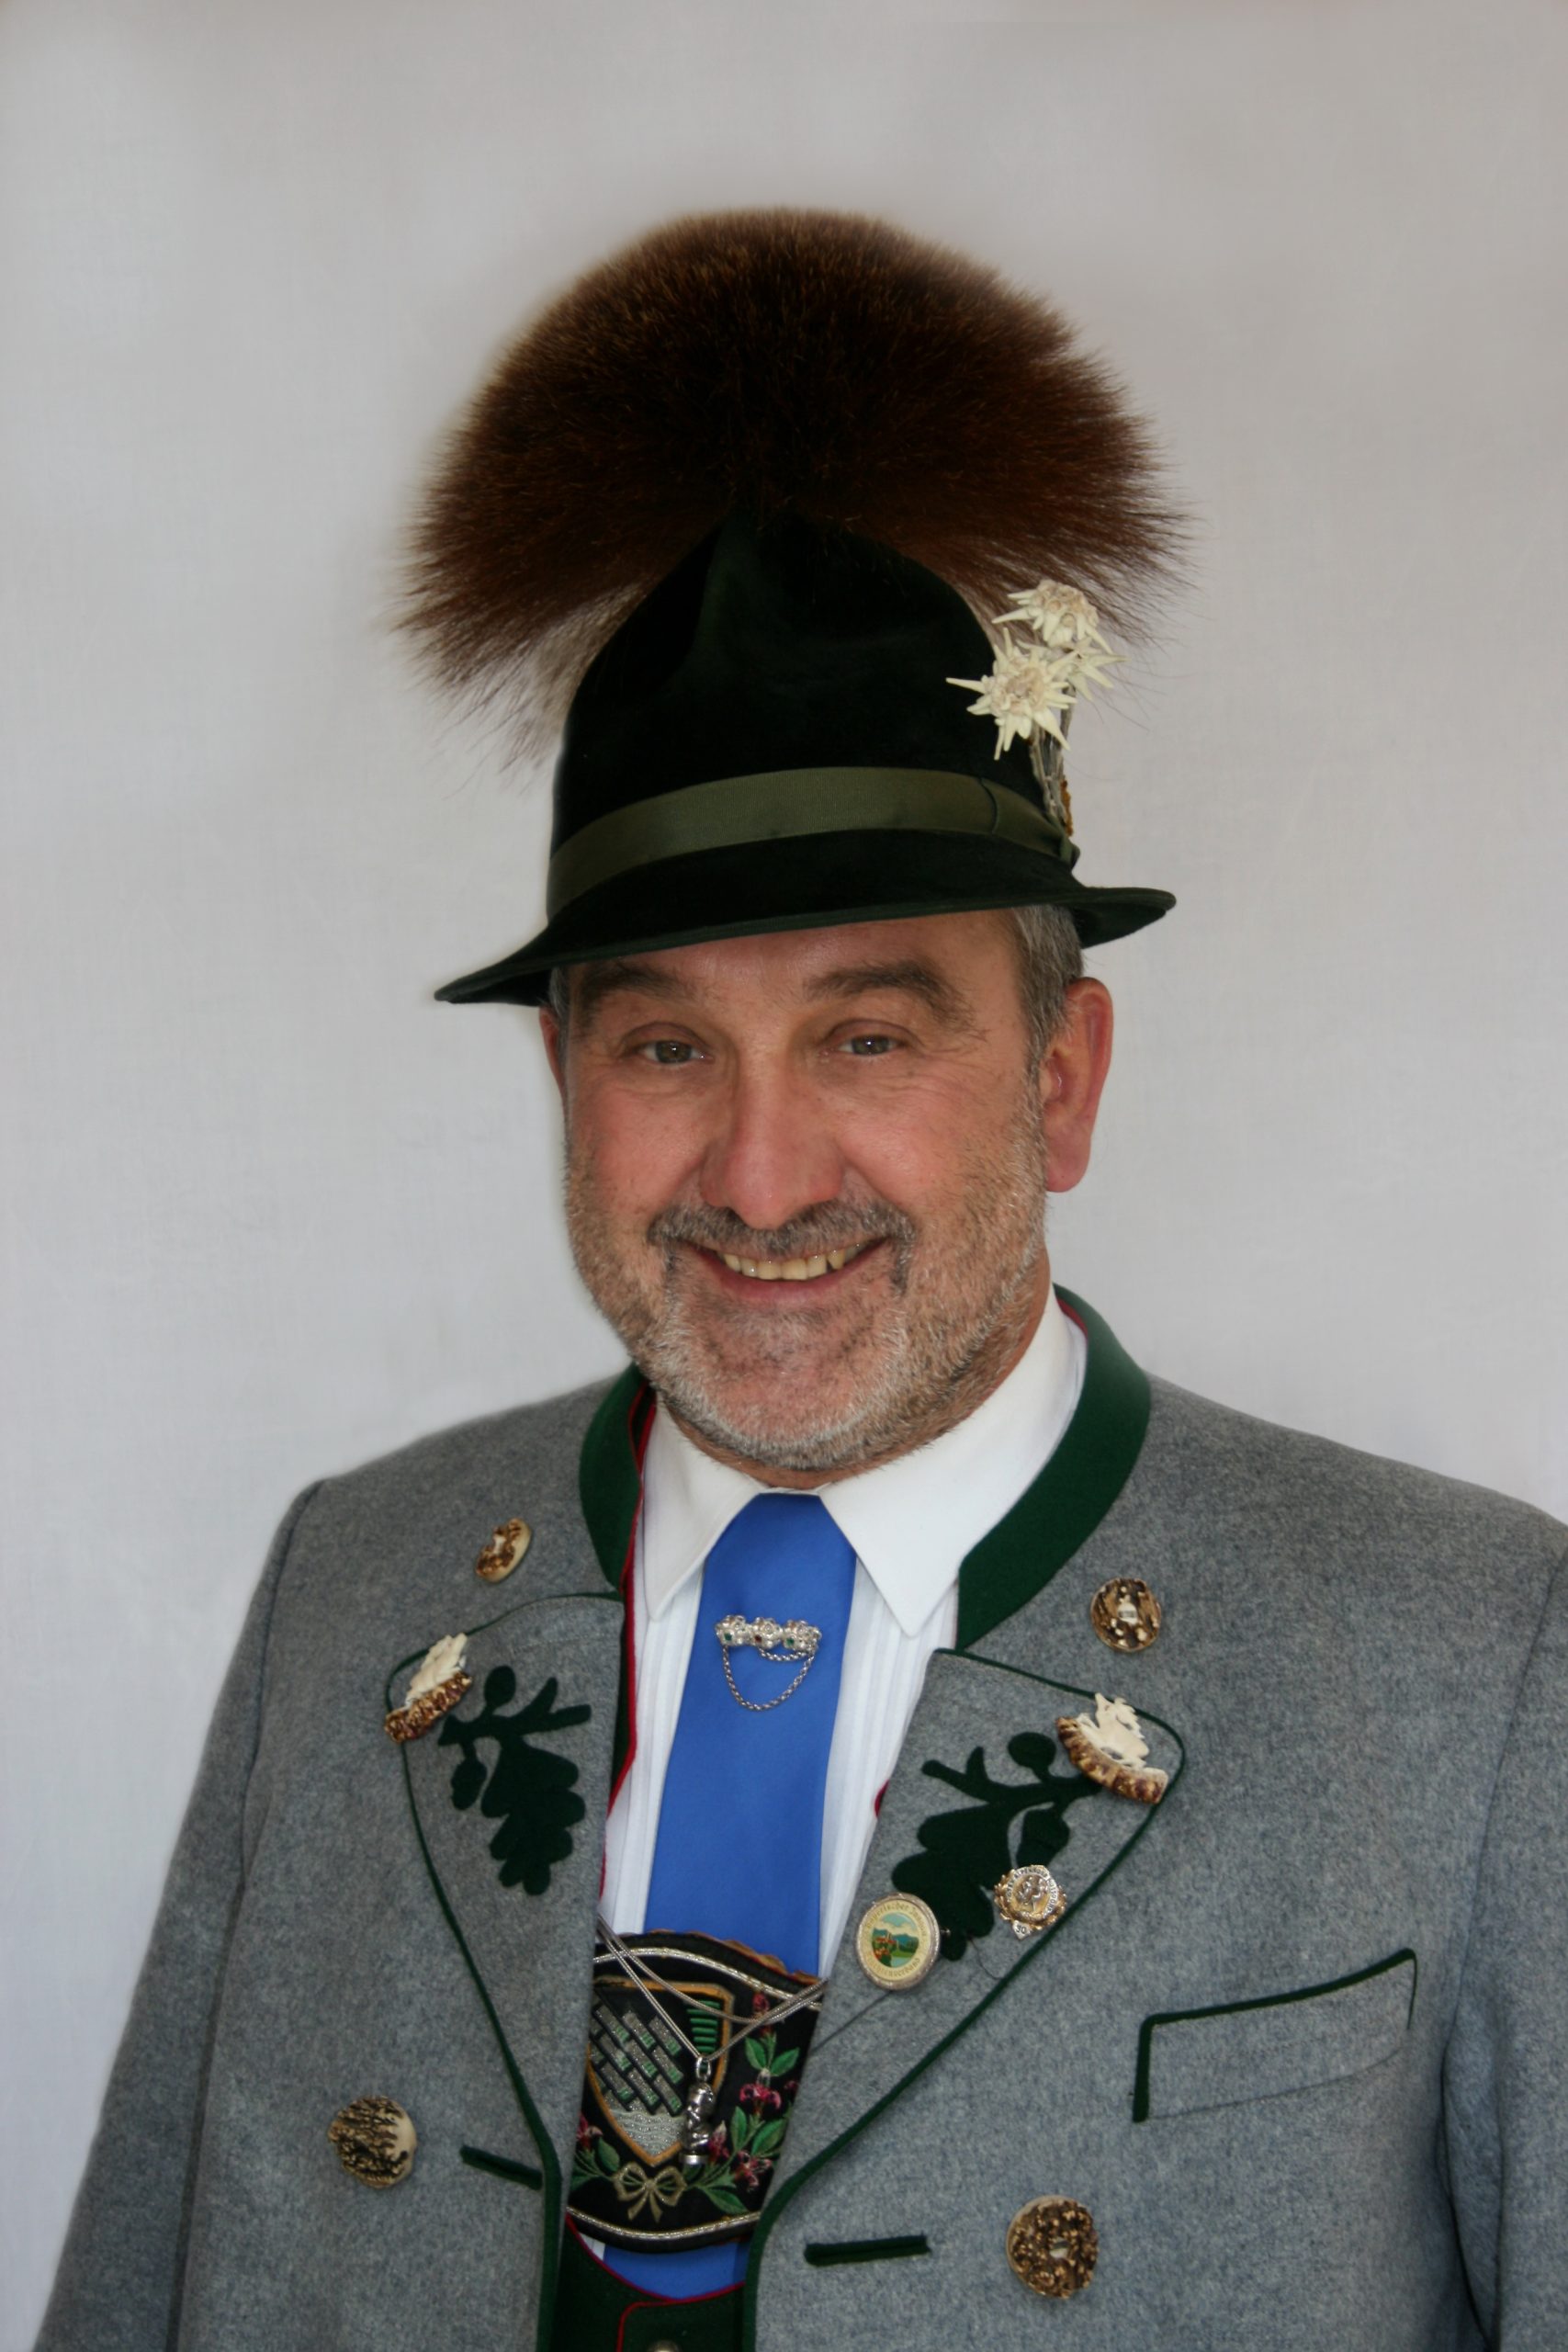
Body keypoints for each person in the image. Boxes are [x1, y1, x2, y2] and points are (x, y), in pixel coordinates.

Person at [36, 210, 1568, 2352]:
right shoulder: (353, 1587)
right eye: (666, 1046)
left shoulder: (1477, 1657)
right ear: (564, 1076)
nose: (757, 1178)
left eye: (864, 1034)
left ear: (1057, 1078)